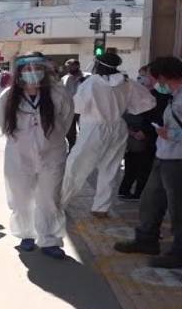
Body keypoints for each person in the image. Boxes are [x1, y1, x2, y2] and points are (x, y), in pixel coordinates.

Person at [113, 56, 182, 268]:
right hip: (166, 157)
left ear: (162, 77)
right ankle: (146, 239)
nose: (150, 82)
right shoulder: (178, 94)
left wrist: (171, 134)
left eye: (151, 77)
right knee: (150, 201)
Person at [0, 52, 75, 260]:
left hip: (53, 154)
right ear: (19, 72)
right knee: (22, 197)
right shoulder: (7, 98)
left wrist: (45, 140)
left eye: (37, 68)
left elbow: (66, 123)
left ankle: (49, 239)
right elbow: (3, 124)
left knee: (49, 197)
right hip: (18, 155)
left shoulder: (59, 95)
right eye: (27, 68)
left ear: (45, 71)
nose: (33, 73)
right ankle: (26, 235)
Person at [60, 52, 156, 218]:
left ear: (98, 64)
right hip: (118, 127)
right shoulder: (127, 82)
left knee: (76, 166)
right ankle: (101, 208)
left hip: (94, 127)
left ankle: (60, 203)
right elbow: (147, 102)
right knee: (110, 168)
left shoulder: (91, 83)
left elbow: (78, 107)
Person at [118, 64, 170, 200]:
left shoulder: (161, 95)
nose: (143, 78)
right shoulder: (136, 94)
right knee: (132, 165)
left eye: (146, 75)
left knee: (144, 166)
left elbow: (157, 117)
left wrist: (144, 131)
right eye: (141, 75)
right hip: (135, 135)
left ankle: (139, 192)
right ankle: (125, 190)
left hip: (150, 136)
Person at [61, 58, 85, 152]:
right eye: (68, 67)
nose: (69, 68)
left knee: (84, 131)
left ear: (77, 66)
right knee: (70, 133)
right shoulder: (64, 78)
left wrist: (83, 81)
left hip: (83, 109)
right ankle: (72, 150)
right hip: (69, 109)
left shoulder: (86, 77)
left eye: (71, 66)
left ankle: (83, 150)